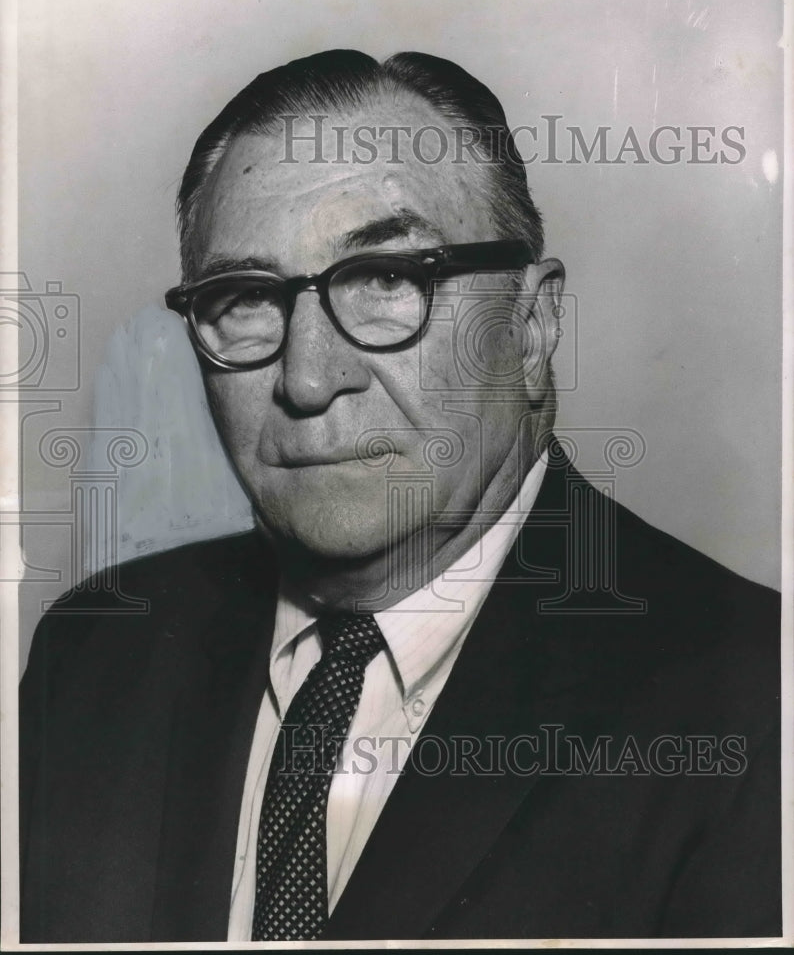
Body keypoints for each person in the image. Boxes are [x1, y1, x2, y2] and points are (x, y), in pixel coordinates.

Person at [19, 50, 780, 942]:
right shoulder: (94, 657)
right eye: (246, 297)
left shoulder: (754, 699)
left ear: (533, 328)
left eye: (388, 280)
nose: (308, 378)